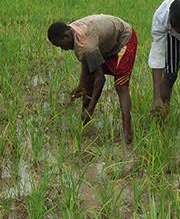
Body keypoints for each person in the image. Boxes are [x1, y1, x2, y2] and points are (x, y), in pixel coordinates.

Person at [48, 14, 137, 145]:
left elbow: (100, 80)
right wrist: (81, 85)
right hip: (104, 42)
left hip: (123, 40)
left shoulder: (86, 45)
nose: (63, 49)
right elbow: (87, 62)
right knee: (88, 81)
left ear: (66, 36)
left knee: (121, 86)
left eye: (61, 45)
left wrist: (91, 108)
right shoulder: (74, 31)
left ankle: (127, 134)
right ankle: (85, 124)